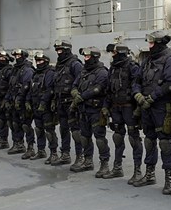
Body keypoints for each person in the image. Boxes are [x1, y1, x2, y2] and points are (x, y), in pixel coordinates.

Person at [132, 31, 171, 194]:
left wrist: (153, 97)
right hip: (146, 107)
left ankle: (169, 179)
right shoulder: (147, 61)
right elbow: (137, 81)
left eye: (152, 43)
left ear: (159, 43)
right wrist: (138, 95)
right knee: (149, 140)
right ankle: (149, 174)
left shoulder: (170, 60)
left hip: (161, 107)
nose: (149, 46)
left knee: (165, 142)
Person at [102, 43, 143, 181]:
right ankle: (117, 168)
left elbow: (138, 87)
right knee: (118, 137)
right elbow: (108, 89)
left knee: (134, 138)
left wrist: (138, 109)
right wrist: (105, 106)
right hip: (116, 108)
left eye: (114, 52)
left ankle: (138, 171)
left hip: (129, 108)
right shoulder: (112, 69)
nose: (112, 55)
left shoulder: (133, 68)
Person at [70, 46, 111, 176]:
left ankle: (104, 164)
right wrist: (75, 92)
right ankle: (88, 161)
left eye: (88, 57)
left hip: (96, 110)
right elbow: (75, 84)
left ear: (94, 57)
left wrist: (81, 97)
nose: (85, 59)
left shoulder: (102, 72)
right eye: (84, 57)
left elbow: (97, 89)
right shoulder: (83, 71)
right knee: (85, 137)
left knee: (99, 138)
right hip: (83, 109)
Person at [53, 40, 83, 167]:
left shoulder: (75, 64)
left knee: (76, 131)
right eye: (57, 50)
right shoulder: (59, 65)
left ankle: (80, 156)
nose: (59, 53)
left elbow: (80, 82)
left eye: (61, 50)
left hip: (71, 103)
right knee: (63, 129)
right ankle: (65, 154)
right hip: (60, 102)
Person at [29, 52, 58, 163]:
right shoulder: (35, 74)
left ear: (45, 61)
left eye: (41, 61)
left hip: (46, 107)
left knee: (49, 131)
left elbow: (50, 89)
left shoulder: (49, 73)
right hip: (35, 106)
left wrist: (43, 102)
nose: (39, 63)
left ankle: (53, 152)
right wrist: (28, 101)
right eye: (37, 61)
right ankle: (41, 150)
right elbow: (31, 89)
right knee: (38, 129)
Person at [6, 49, 33, 155]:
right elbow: (11, 86)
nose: (17, 57)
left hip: (23, 102)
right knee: (15, 124)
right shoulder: (15, 70)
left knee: (26, 125)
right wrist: (8, 99)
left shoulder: (27, 70)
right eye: (15, 55)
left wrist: (23, 100)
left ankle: (30, 148)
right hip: (14, 101)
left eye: (19, 55)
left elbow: (27, 87)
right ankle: (18, 144)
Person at [0, 50, 14, 150]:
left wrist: (8, 99)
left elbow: (12, 86)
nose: (1, 60)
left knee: (7, 121)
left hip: (6, 99)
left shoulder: (9, 70)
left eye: (3, 58)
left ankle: (4, 140)